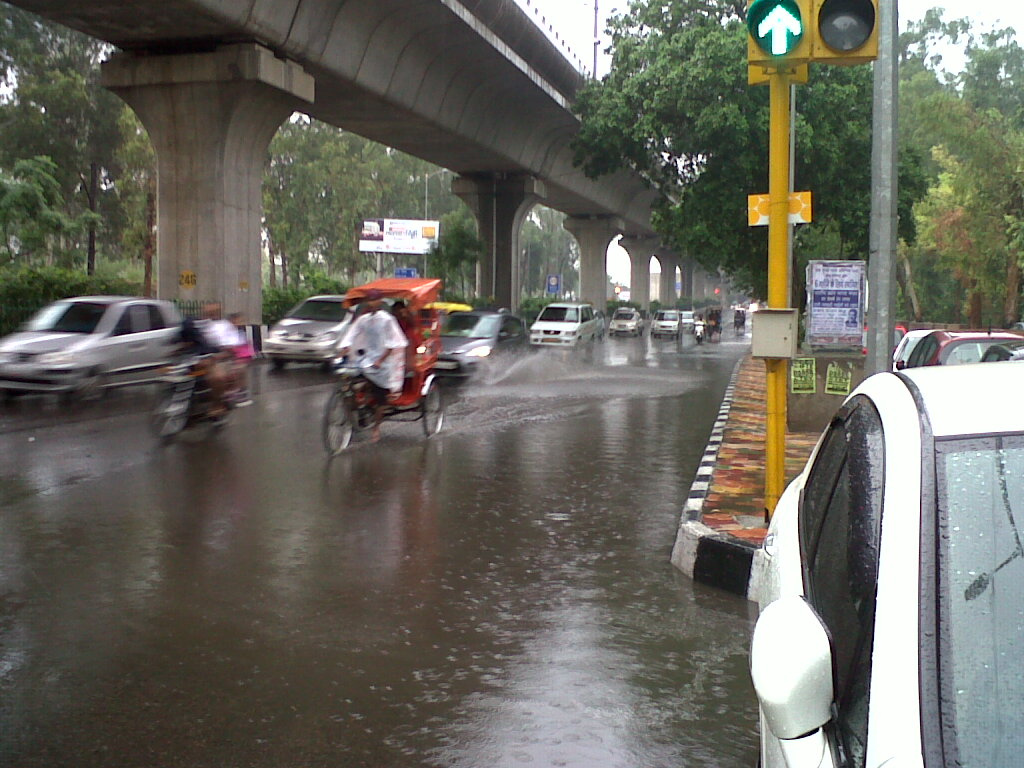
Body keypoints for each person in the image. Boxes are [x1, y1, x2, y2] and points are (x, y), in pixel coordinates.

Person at [338, 290, 408, 441]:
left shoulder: (387, 320)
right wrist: (345, 347)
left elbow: (393, 343)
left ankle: (376, 427)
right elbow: (352, 333)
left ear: (380, 301)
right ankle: (359, 406)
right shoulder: (363, 319)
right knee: (351, 379)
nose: (371, 303)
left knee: (381, 398)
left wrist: (381, 360)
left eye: (374, 300)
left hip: (383, 362)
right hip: (367, 357)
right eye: (369, 300)